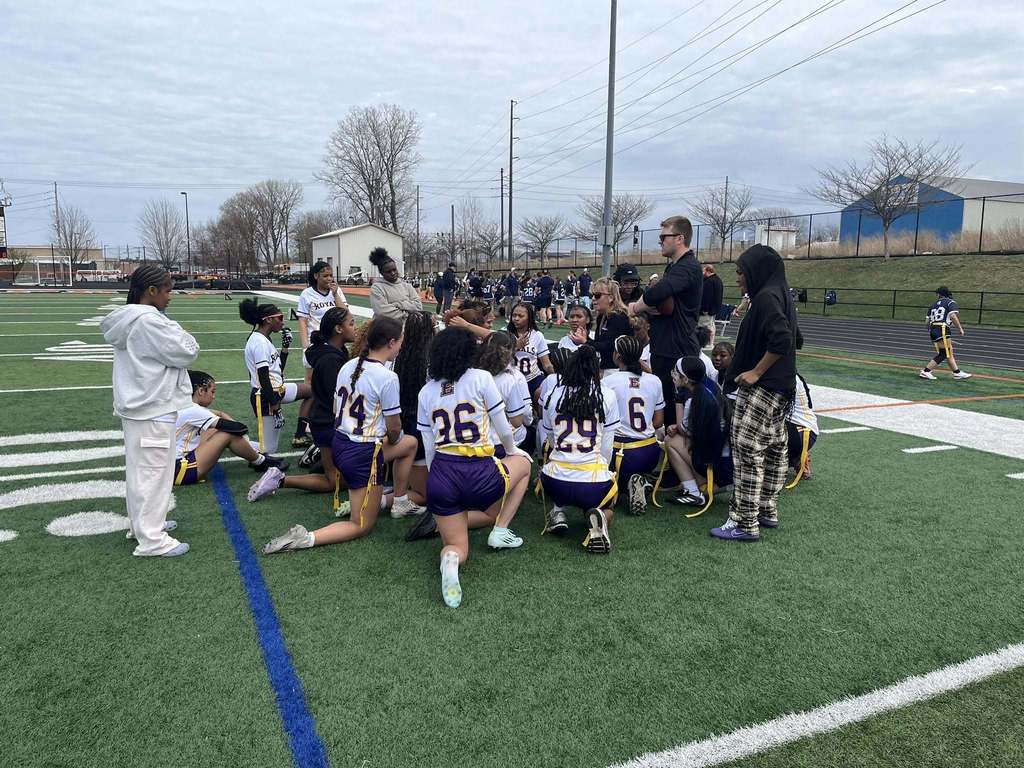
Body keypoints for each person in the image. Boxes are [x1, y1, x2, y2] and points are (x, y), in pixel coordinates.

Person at [261, 317, 422, 555]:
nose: (400, 347)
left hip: (342, 443)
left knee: (410, 444)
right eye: (399, 342)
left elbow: (338, 410)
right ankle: (305, 538)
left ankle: (399, 501)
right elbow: (395, 428)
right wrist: (387, 439)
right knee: (361, 525)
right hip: (363, 452)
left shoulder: (350, 365)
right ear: (391, 342)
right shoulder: (387, 377)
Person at [414, 327, 534, 608]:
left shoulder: (426, 392)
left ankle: (451, 560)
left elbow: (429, 446)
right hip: (479, 470)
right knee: (525, 465)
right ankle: (501, 530)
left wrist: (438, 480)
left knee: (458, 547)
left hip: (443, 474)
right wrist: (514, 451)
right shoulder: (480, 378)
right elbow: (503, 427)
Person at [100, 264, 199, 557]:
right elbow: (188, 350)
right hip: (151, 406)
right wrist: (176, 329)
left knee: (141, 472)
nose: (171, 296)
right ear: (151, 291)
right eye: (167, 290)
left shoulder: (133, 319)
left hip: (140, 406)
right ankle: (152, 539)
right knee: (154, 474)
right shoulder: (149, 321)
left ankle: (142, 524)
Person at [713, 244, 802, 542]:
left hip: (764, 387)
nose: (738, 278)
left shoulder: (765, 297)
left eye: (741, 271)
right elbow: (796, 338)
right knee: (776, 445)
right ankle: (767, 509)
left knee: (746, 448)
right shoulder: (780, 293)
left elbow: (782, 339)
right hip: (783, 386)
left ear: (756, 271)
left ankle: (745, 522)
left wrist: (756, 372)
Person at [247, 307, 359, 504]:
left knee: (340, 475)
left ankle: (312, 462)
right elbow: (338, 398)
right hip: (328, 424)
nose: (355, 327)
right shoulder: (330, 359)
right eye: (351, 323)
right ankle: (283, 478)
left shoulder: (334, 352)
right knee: (339, 482)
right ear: (338, 329)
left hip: (324, 420)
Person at [538, 345, 620, 552]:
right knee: (610, 497)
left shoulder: (553, 394)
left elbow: (548, 439)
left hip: (555, 482)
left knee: (553, 458)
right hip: (592, 483)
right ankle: (599, 515)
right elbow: (607, 448)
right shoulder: (607, 395)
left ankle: (558, 511)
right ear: (595, 369)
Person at [627, 216, 703, 424]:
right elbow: (662, 304)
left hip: (677, 348)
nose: (660, 241)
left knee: (674, 413)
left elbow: (656, 293)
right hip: (664, 346)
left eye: (663, 237)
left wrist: (637, 306)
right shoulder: (674, 267)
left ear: (679, 238)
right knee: (663, 405)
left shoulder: (687, 266)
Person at [176, 370, 287, 486]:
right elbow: (238, 429)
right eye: (212, 392)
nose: (213, 397)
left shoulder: (183, 405)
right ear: (200, 391)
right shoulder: (194, 410)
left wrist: (221, 414)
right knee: (227, 434)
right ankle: (260, 461)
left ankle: (256, 456)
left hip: (170, 467)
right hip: (181, 470)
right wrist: (244, 438)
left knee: (213, 429)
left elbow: (219, 416)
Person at [240, 298, 312, 454]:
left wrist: (285, 348)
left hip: (277, 389)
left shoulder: (265, 338)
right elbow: (263, 377)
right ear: (268, 320)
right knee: (268, 449)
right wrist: (274, 402)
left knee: (312, 390)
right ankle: (233, 441)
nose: (283, 322)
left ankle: (301, 433)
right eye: (280, 318)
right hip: (266, 395)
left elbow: (277, 370)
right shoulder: (259, 342)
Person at [603, 336, 665, 516]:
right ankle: (637, 481)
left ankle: (623, 485)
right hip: (649, 452)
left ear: (617, 355)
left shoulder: (608, 381)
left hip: (620, 453)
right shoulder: (655, 381)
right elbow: (659, 422)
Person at [665, 356, 732, 510]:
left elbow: (685, 430)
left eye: (677, 372)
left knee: (671, 440)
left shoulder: (693, 400)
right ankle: (702, 483)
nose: (673, 374)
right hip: (727, 460)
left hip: (718, 464)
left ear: (686, 379)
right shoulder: (711, 387)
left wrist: (676, 426)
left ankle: (694, 491)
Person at [293, 260, 347, 447]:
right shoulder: (307, 294)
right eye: (325, 275)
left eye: (331, 275)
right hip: (316, 346)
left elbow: (345, 314)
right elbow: (302, 321)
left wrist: (335, 294)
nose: (329, 279)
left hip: (334, 346)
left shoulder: (336, 291)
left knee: (334, 386)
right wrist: (305, 345)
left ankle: (330, 424)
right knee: (312, 388)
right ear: (316, 276)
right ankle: (301, 430)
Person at [920, 286, 971, 380]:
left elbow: (927, 322)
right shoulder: (950, 302)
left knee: (948, 352)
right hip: (942, 328)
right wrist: (960, 328)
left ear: (939, 294)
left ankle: (957, 372)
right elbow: (953, 316)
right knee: (944, 353)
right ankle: (926, 371)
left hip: (934, 328)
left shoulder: (933, 305)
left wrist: (931, 331)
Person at [508, 301, 553, 397]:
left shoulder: (537, 335)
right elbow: (499, 360)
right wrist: (515, 347)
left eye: (521, 316)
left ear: (529, 318)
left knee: (542, 393)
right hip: (511, 378)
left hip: (533, 378)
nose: (516, 318)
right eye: (514, 315)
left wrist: (555, 377)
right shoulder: (505, 334)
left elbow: (546, 364)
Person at [588, 277, 633, 371]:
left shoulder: (619, 317)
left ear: (611, 298)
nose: (593, 298)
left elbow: (609, 347)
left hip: (618, 370)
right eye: (592, 295)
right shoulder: (602, 316)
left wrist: (585, 341)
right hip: (606, 367)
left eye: (597, 295)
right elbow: (598, 343)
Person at [369, 247, 423, 322]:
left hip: (407, 329)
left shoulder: (407, 286)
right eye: (388, 271)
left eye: (394, 269)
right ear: (381, 273)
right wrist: (407, 313)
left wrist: (396, 305)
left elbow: (418, 306)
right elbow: (382, 311)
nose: (393, 273)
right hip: (386, 329)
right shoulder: (377, 288)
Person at [787, 372, 819, 482]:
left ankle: (798, 456)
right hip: (797, 427)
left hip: (801, 430)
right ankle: (796, 458)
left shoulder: (786, 376)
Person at [699, 263, 724, 346]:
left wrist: (704, 310)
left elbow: (706, 297)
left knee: (704, 327)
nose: (702, 273)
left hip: (707, 311)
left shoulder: (709, 282)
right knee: (711, 326)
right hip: (714, 310)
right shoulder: (718, 280)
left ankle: (704, 344)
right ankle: (711, 344)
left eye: (703, 271)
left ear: (708, 271)